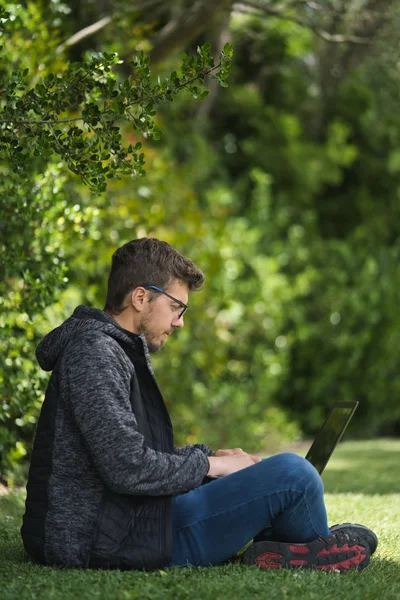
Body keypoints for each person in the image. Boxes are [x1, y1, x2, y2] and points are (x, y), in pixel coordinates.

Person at [21, 238, 377, 572]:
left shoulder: (111, 349)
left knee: (268, 471)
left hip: (126, 520)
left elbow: (134, 453)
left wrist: (212, 461)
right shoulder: (94, 353)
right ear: (141, 298)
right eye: (176, 307)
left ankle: (297, 548)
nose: (180, 322)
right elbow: (127, 467)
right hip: (105, 539)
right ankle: (319, 547)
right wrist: (210, 465)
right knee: (294, 475)